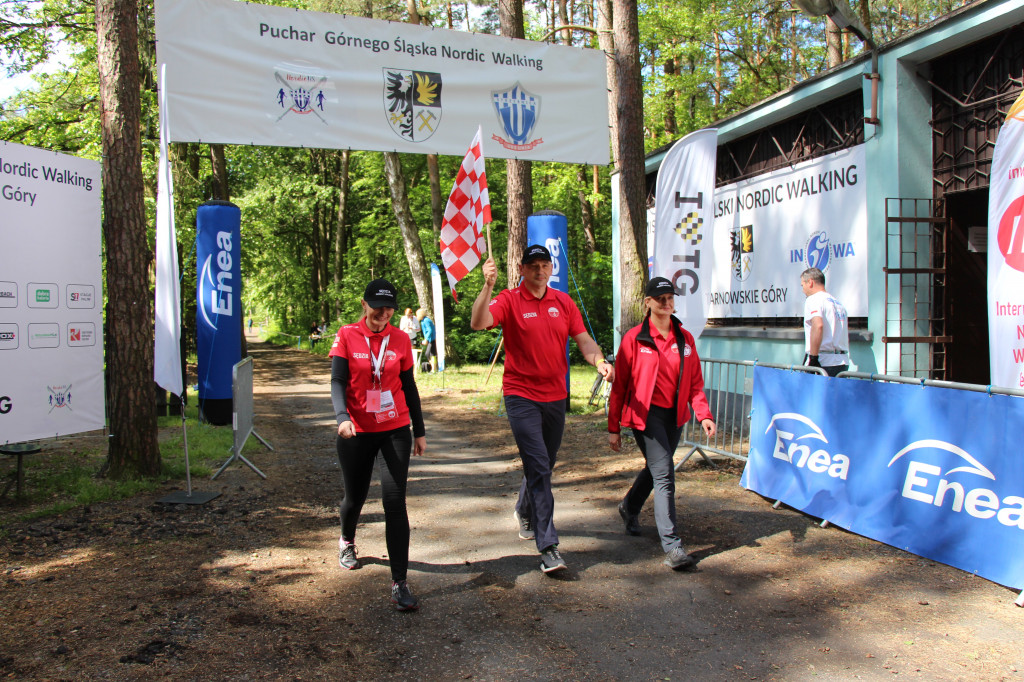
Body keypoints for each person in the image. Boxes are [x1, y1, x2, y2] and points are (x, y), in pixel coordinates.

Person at [471, 244, 614, 575]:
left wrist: (599, 361)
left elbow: (583, 340)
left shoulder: (563, 302)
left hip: (555, 397)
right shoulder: (509, 299)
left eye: (544, 265)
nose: (539, 270)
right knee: (539, 465)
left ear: (551, 269)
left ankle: (523, 508)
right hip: (521, 396)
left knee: (544, 463)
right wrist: (488, 286)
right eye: (532, 265)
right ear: (521, 269)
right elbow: (479, 322)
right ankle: (549, 546)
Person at [329, 278, 427, 611]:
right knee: (354, 496)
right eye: (377, 308)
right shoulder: (346, 335)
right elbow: (337, 380)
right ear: (364, 304)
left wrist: (420, 430)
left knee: (395, 500)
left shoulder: (400, 339)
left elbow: (409, 386)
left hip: (395, 428)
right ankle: (347, 540)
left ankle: (400, 582)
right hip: (355, 430)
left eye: (388, 309)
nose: (382, 314)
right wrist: (342, 417)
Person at [607, 277, 716, 571]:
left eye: (670, 298)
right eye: (660, 299)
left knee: (657, 467)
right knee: (665, 473)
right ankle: (673, 546)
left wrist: (704, 414)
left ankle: (629, 507)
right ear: (648, 303)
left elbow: (695, 383)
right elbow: (619, 387)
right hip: (644, 416)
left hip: (674, 416)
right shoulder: (635, 338)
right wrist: (613, 426)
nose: (667, 304)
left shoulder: (685, 339)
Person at [800, 267, 850, 377]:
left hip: (823, 361)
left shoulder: (813, 300)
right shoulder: (838, 303)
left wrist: (813, 358)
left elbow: (818, 326)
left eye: (802, 285)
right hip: (842, 362)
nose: (803, 290)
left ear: (810, 283)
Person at [416, 308, 435, 372]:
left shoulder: (426, 320)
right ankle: (433, 368)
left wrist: (426, 339)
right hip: (429, 339)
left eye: (417, 315)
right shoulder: (422, 321)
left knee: (431, 354)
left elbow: (430, 330)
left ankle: (434, 369)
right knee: (428, 354)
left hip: (432, 339)